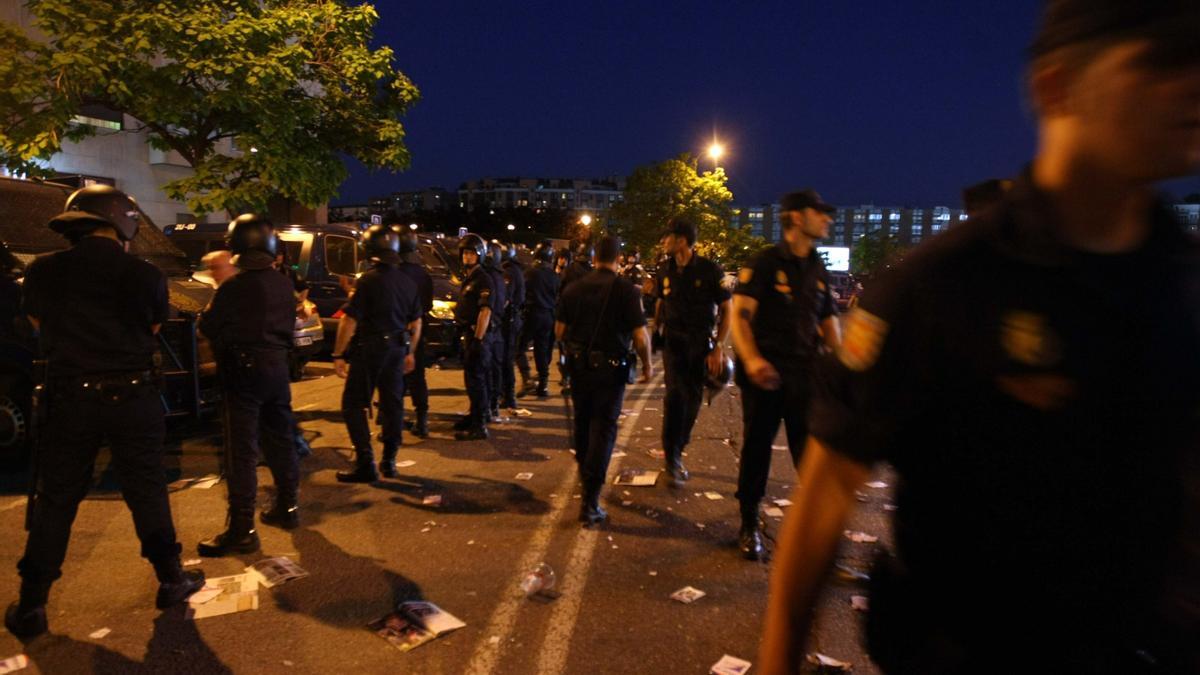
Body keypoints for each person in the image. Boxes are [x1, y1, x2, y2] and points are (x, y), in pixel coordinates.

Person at [759, 2, 1200, 673]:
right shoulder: (940, 286)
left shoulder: (1180, 283)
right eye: (1155, 63)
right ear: (1059, 87)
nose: (1188, 84)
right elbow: (824, 496)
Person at [6, 185, 203, 639]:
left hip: (69, 397)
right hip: (133, 397)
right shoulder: (146, 274)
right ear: (122, 222)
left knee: (57, 499)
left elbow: (37, 323)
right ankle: (172, 580)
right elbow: (154, 326)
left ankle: (33, 604)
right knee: (147, 490)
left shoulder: (43, 271)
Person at [729, 190, 841, 560]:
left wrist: (842, 368)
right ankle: (749, 523)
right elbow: (740, 316)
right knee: (757, 450)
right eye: (819, 213)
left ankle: (817, 535)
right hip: (766, 377)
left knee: (811, 456)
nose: (827, 219)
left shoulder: (818, 267)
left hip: (805, 377)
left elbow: (829, 321)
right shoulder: (763, 263)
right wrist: (752, 360)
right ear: (795, 218)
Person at [197, 214, 302, 555]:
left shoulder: (232, 287)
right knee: (281, 439)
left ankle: (241, 527)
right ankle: (288, 507)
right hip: (277, 369)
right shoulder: (283, 283)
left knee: (241, 450)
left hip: (242, 371)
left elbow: (208, 328)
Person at [556, 236, 652, 525]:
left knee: (583, 425)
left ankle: (586, 477)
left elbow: (559, 330)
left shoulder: (573, 288)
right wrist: (647, 364)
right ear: (619, 259)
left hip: (579, 367)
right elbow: (639, 335)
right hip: (610, 371)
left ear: (594, 257)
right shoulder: (626, 290)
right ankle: (591, 498)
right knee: (604, 429)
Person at [331, 224, 422, 482]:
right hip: (397, 349)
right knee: (393, 405)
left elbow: (349, 321)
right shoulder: (407, 281)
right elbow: (416, 324)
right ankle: (390, 461)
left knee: (353, 405)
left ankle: (365, 462)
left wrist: (338, 354)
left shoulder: (368, 280)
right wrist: (410, 353)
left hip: (370, 349)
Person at [654, 218, 731, 487]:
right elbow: (661, 303)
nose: (663, 241)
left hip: (700, 343)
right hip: (674, 342)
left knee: (692, 399)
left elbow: (727, 310)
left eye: (667, 236)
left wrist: (719, 348)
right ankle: (671, 458)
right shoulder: (664, 269)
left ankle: (679, 445)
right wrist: (657, 330)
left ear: (682, 240)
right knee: (674, 396)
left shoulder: (710, 270)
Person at [453, 234, 495, 440]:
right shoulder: (469, 278)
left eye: (472, 253)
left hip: (478, 337)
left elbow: (485, 312)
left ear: (480, 255)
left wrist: (478, 341)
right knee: (471, 381)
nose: (468, 257)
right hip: (468, 334)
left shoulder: (483, 279)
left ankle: (479, 426)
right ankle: (475, 415)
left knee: (476, 380)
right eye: (465, 253)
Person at [396, 230, 433, 438]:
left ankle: (394, 419)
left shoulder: (395, 272)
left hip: (399, 330)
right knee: (418, 377)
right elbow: (426, 305)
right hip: (419, 330)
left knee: (396, 378)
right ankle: (422, 420)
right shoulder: (422, 273)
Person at [517, 240, 560, 398]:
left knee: (519, 347)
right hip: (548, 316)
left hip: (532, 314)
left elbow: (521, 294)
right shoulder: (554, 276)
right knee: (541, 350)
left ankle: (527, 378)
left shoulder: (530, 273)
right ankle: (543, 385)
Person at [482, 241, 508, 421]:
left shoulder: (487, 278)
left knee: (486, 370)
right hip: (498, 326)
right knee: (495, 368)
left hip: (489, 328)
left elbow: (486, 308)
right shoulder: (500, 277)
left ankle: (487, 408)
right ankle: (493, 406)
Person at [499, 241, 526, 409]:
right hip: (513, 318)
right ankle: (506, 394)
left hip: (509, 320)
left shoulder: (509, 272)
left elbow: (505, 299)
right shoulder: (514, 269)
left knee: (506, 360)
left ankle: (508, 396)